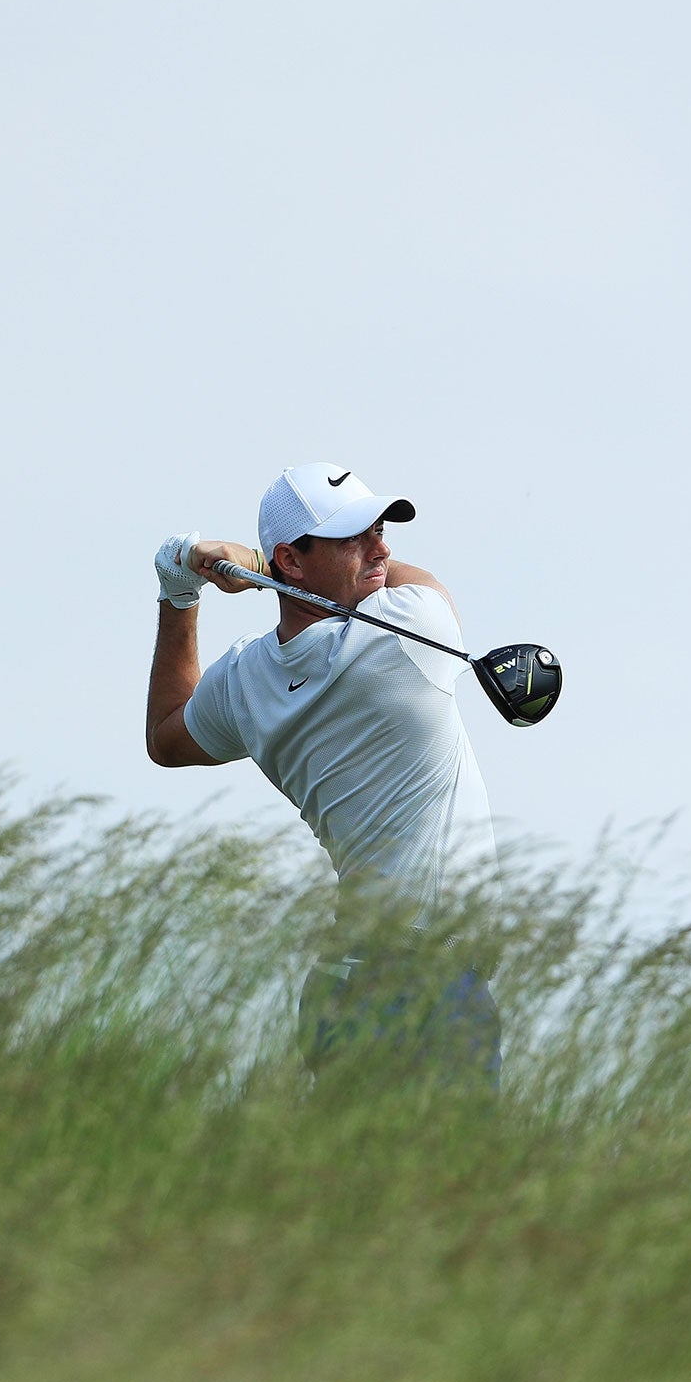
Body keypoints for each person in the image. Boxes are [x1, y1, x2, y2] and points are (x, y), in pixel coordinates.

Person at [146, 463, 501, 1094]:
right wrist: (256, 561)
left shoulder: (244, 680)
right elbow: (425, 582)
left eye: (380, 530)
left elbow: (167, 736)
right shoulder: (408, 635)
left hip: (345, 983)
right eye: (355, 537)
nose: (382, 549)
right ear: (292, 558)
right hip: (426, 988)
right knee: (452, 1191)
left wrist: (180, 591)